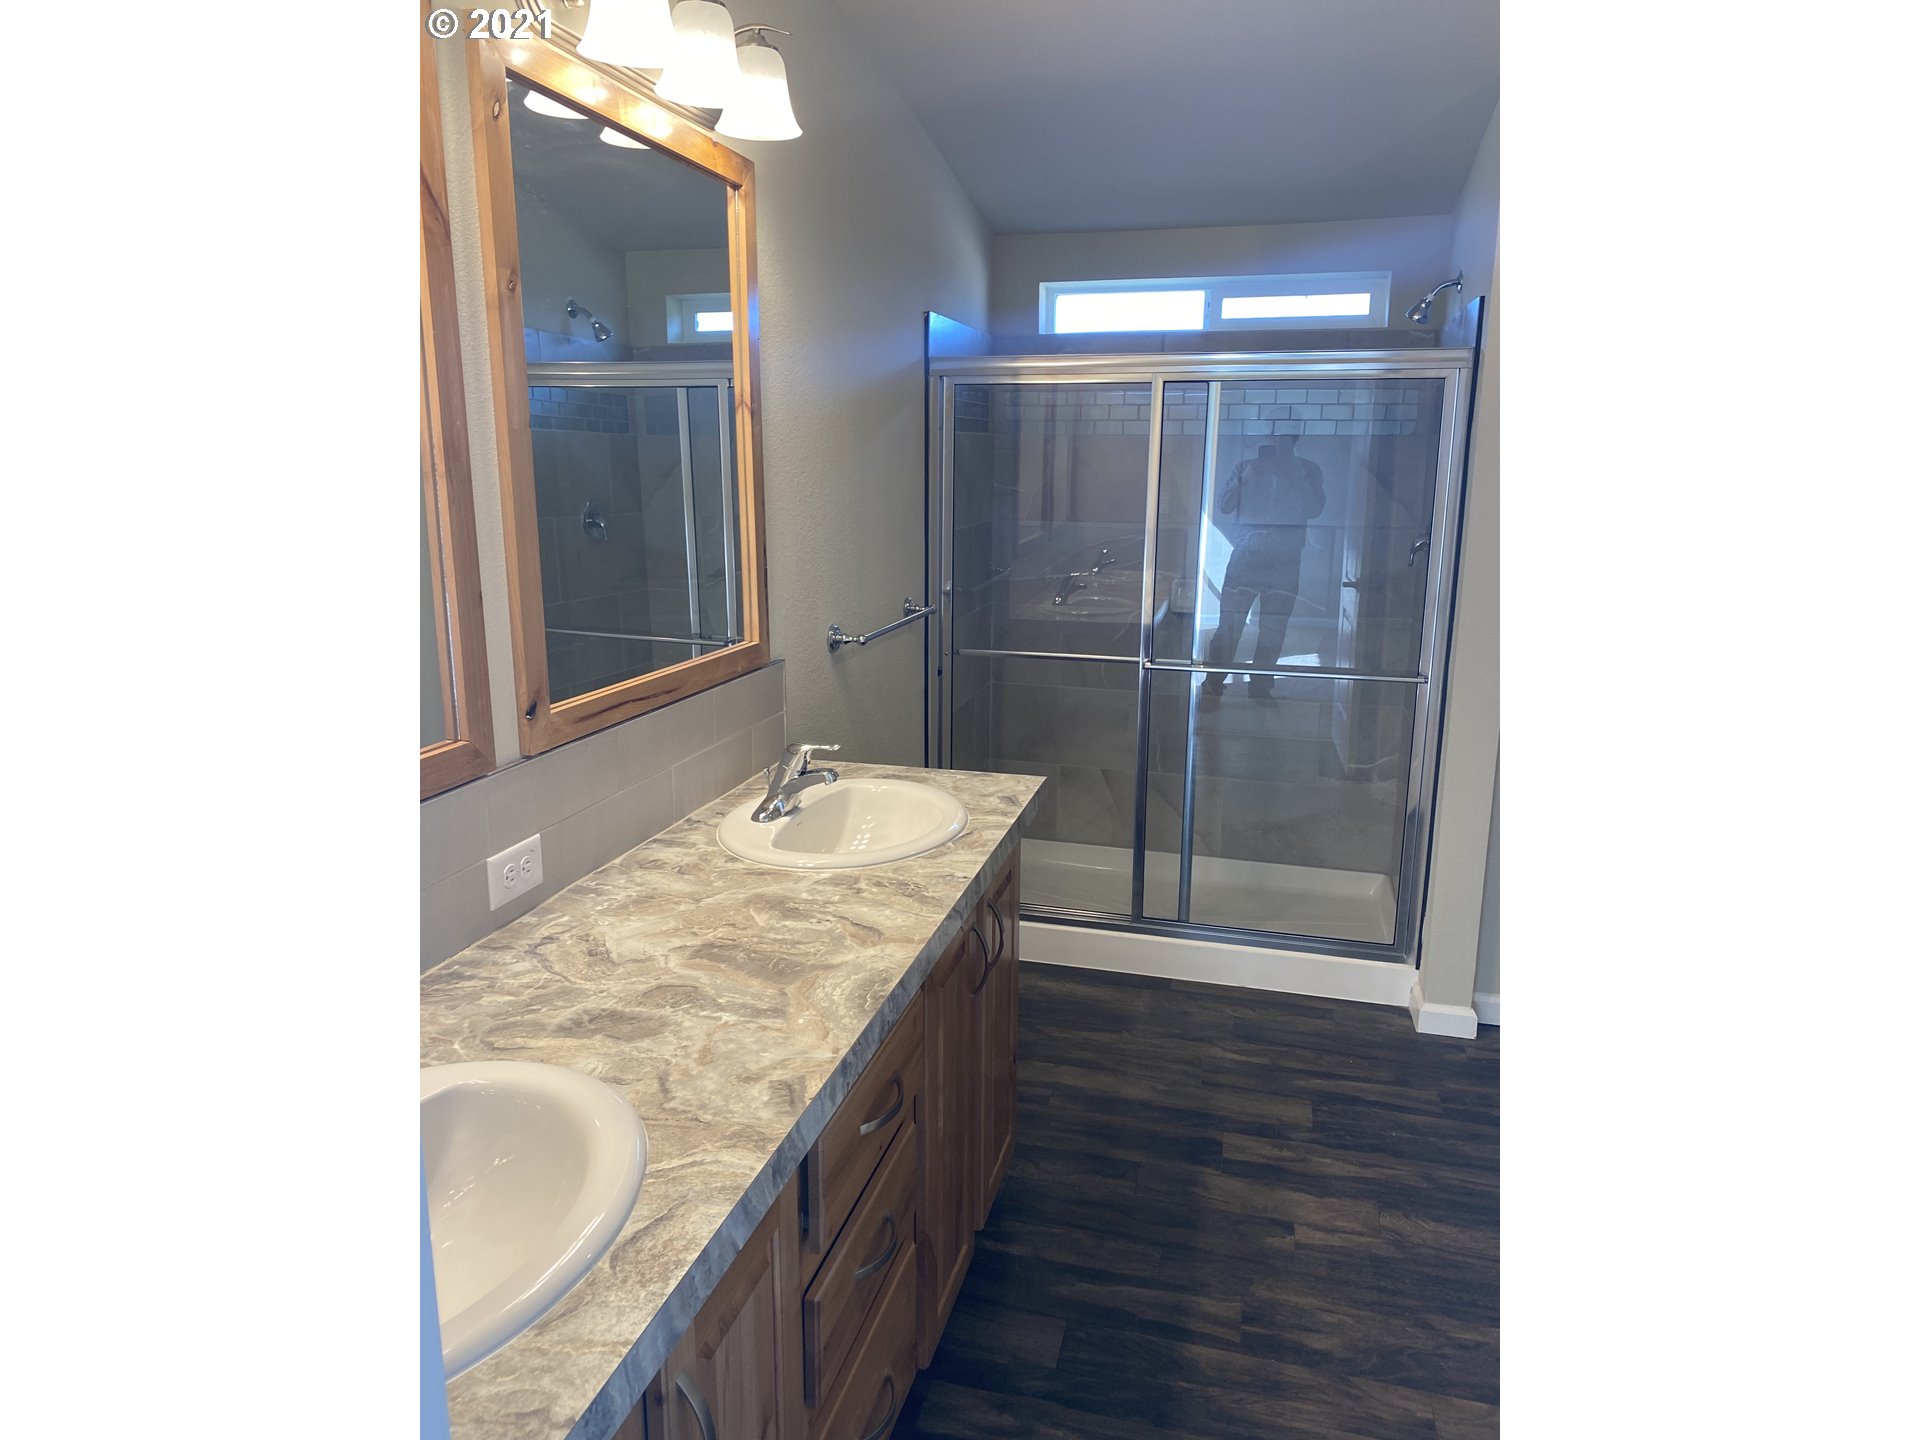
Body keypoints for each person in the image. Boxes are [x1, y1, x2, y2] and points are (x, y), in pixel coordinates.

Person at [1202, 435, 1325, 699]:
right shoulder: (1246, 466)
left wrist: (1297, 475)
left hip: (1284, 560)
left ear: (1294, 439)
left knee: (1273, 629)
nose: (1277, 443)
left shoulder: (1307, 469)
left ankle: (1260, 687)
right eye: (1274, 437)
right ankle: (1213, 684)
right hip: (1248, 556)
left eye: (1283, 438)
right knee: (1229, 627)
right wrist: (1246, 476)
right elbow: (1224, 505)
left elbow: (1315, 509)